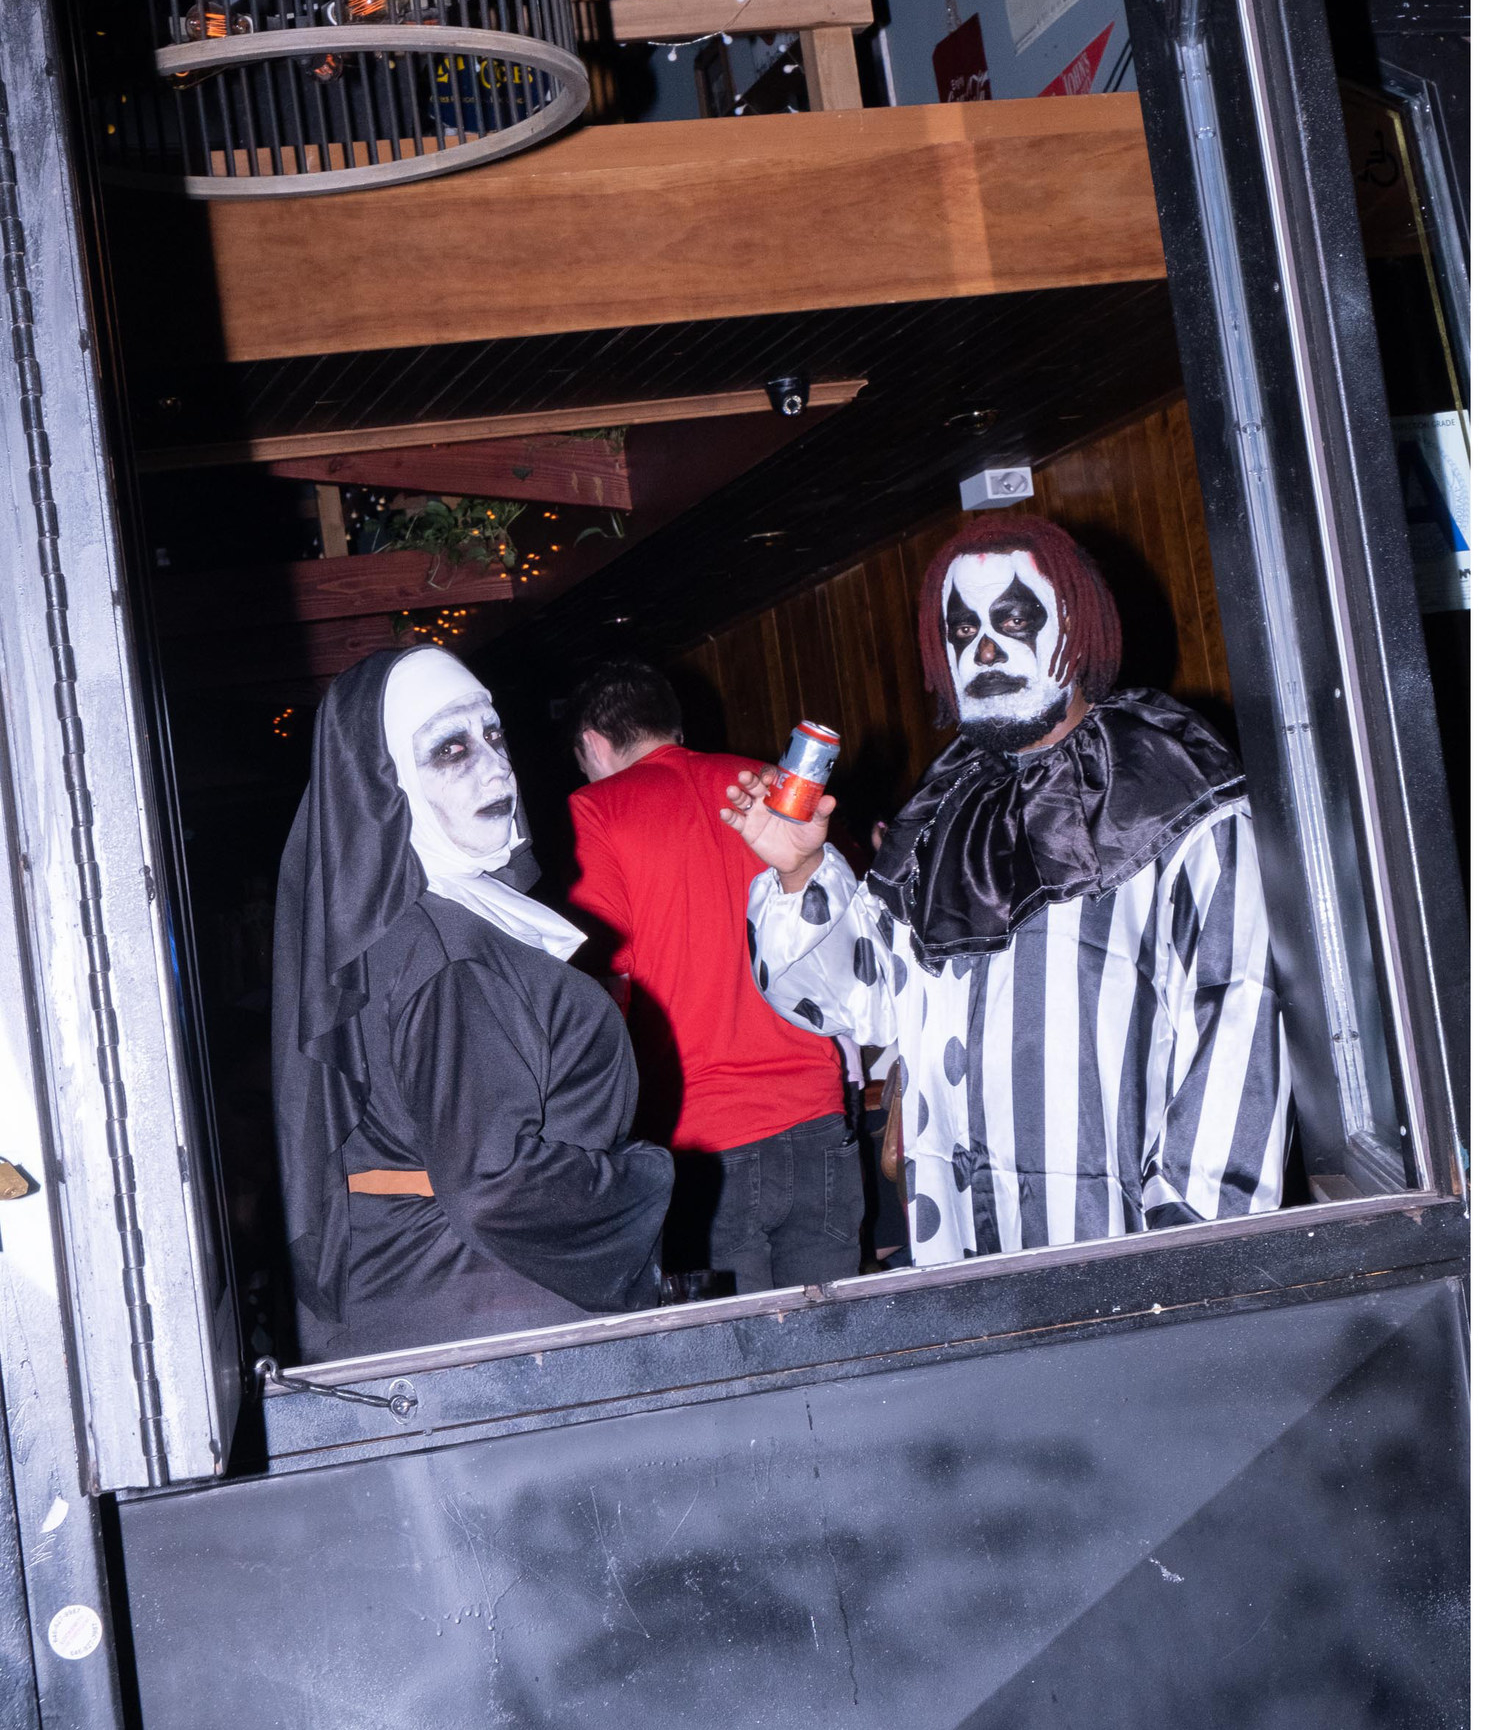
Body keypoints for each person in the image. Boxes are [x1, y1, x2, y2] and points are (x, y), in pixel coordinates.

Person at [721, 513, 1288, 1262]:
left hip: (1126, 1262)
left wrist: (1194, 1260)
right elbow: (861, 1004)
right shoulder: (942, 809)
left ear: (1076, 627)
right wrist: (797, 868)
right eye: (961, 630)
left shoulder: (1179, 796)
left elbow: (1239, 1021)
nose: (982, 647)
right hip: (959, 1251)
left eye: (1013, 618)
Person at [272, 646, 673, 1362]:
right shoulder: (446, 952)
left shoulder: (397, 929)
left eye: (493, 736)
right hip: (488, 1320)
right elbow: (495, 1185)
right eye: (451, 749)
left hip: (433, 1313)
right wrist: (641, 1184)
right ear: (386, 781)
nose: (495, 766)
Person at [566, 658, 861, 1293]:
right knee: (835, 1362)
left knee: (738, 1377)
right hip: (819, 1121)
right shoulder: (764, 787)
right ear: (671, 725)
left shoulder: (594, 809)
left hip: (702, 1147)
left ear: (592, 743)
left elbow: (595, 985)